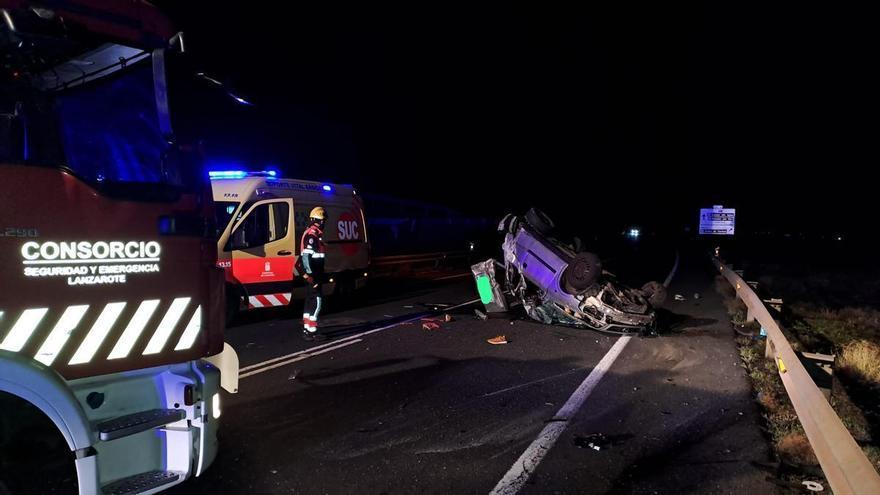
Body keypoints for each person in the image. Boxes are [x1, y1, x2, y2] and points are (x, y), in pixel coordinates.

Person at [300, 206, 326, 341]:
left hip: (312, 275)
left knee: (309, 301)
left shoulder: (311, 233)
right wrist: (312, 277)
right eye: (323, 221)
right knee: (317, 301)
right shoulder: (313, 235)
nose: (324, 224)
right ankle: (312, 331)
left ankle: (307, 328)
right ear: (320, 221)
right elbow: (306, 257)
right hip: (314, 275)